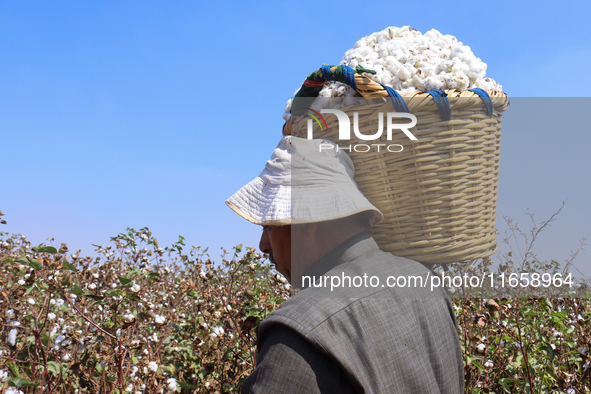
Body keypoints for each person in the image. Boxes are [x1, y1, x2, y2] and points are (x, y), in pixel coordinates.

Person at [226, 136, 464, 393]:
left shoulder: (297, 333)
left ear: (306, 223)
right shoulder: (425, 281)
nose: (263, 245)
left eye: (269, 227)